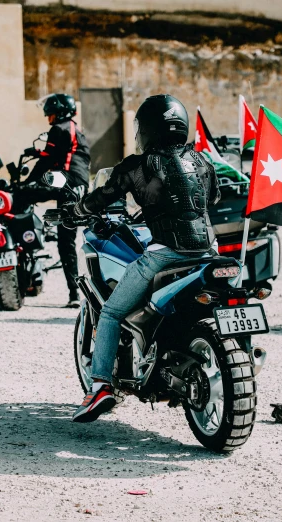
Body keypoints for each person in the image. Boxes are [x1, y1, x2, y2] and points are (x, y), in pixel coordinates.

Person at [65, 94, 220, 423]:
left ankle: (101, 387)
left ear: (148, 129)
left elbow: (102, 197)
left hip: (165, 255)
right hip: (209, 254)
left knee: (110, 313)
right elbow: (214, 197)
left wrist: (74, 212)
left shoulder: (138, 166)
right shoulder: (202, 161)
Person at [18, 93, 90, 308]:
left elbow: (46, 162)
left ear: (59, 112)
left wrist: (26, 182)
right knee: (66, 242)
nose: (48, 116)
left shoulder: (59, 128)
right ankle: (74, 295)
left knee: (21, 195)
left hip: (64, 183)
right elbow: (59, 155)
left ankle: (25, 241)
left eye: (50, 113)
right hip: (78, 188)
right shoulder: (76, 129)